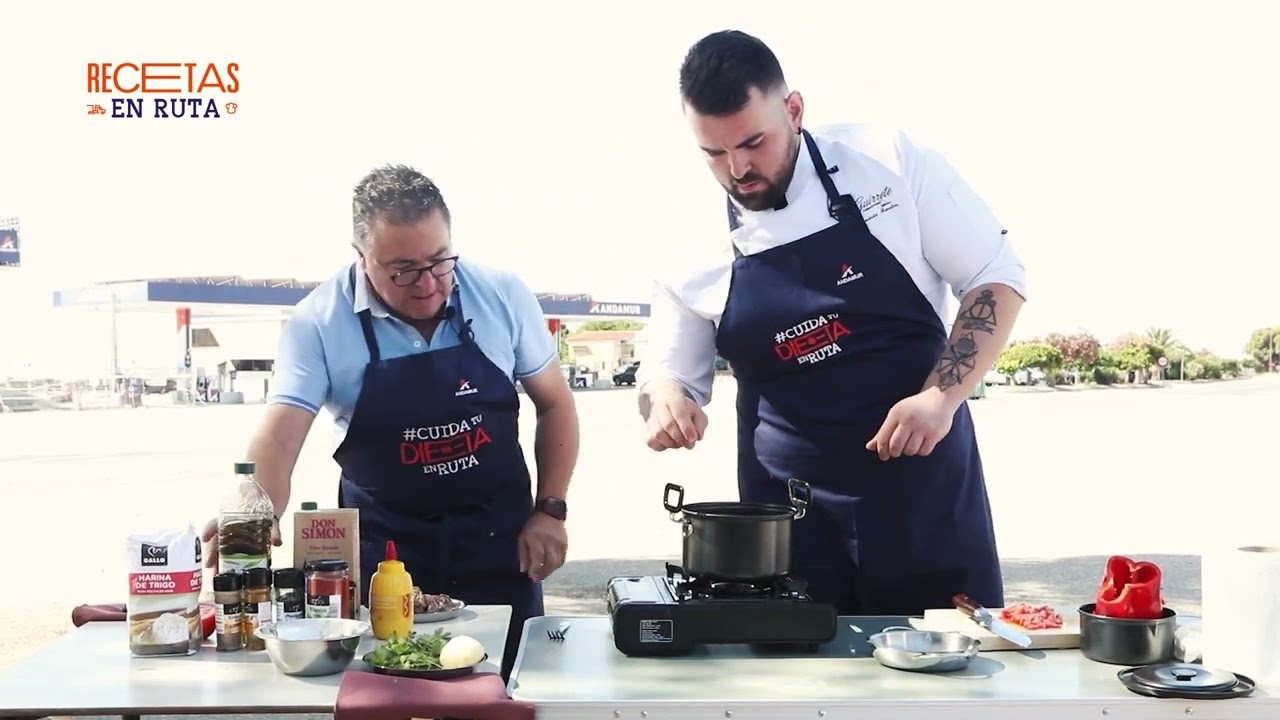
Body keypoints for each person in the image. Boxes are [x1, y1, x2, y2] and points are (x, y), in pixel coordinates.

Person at [638, 30, 1028, 617]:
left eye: (753, 143)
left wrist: (941, 397)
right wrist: (667, 401)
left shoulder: (886, 161)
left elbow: (995, 277)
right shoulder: (688, 240)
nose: (737, 168)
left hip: (924, 495)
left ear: (794, 110)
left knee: (947, 669)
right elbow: (668, 373)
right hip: (786, 522)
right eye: (714, 153)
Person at [201, 164, 579, 679]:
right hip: (386, 556)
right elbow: (281, 437)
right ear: (362, 257)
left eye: (439, 261)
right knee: (389, 690)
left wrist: (550, 509)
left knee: (505, 688)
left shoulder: (502, 295)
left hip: (499, 539)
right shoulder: (318, 322)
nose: (428, 284)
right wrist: (255, 513)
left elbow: (555, 404)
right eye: (403, 269)